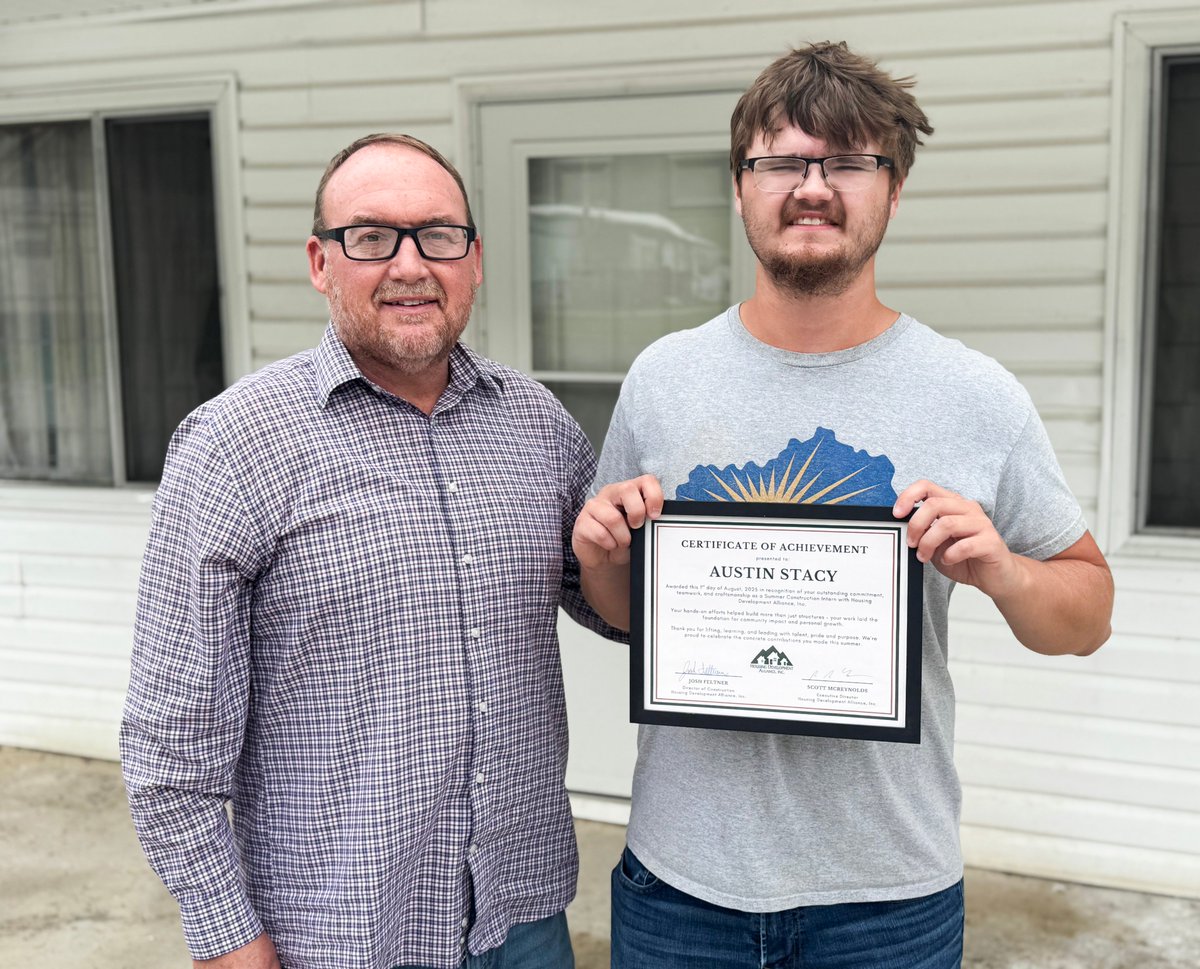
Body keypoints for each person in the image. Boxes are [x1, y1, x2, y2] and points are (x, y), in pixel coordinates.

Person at [572, 42, 1114, 969]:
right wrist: (601, 557)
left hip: (888, 900)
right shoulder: (664, 378)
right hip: (681, 887)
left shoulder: (974, 393)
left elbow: (1087, 615)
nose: (812, 186)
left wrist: (1003, 568)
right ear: (740, 186)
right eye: (781, 161)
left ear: (893, 190)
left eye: (849, 162)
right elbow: (629, 619)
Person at [120, 133, 621, 969]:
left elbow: (612, 608)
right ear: (321, 261)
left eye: (437, 234)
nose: (410, 264)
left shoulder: (539, 427)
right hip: (343, 932)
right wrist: (226, 939)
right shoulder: (233, 446)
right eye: (371, 237)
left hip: (523, 914)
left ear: (476, 257)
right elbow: (173, 746)